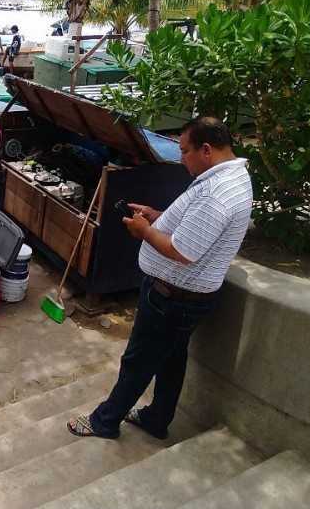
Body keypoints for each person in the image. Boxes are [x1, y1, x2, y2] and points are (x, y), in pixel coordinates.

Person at [67, 117, 253, 440]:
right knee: (171, 358)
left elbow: (182, 251)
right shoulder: (232, 176)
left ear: (206, 150)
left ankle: (105, 421)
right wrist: (159, 216)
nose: (181, 159)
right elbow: (196, 226)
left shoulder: (216, 193)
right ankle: (157, 417)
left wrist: (145, 231)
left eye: (184, 152)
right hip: (185, 297)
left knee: (138, 360)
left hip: (173, 297)